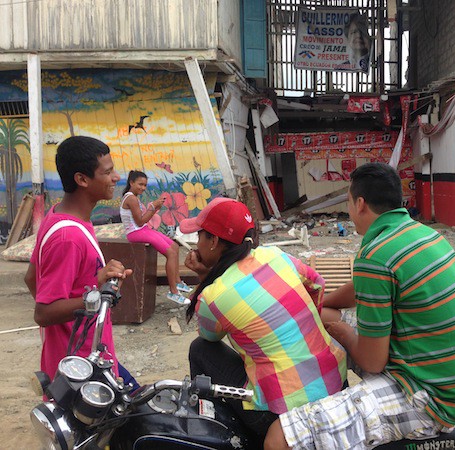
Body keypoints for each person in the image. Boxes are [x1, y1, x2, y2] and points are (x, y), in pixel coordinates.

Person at [264, 162, 455, 450]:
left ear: (360, 203)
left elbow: (372, 362)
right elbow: (359, 289)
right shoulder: (422, 235)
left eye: (349, 202)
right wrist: (316, 303)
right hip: (442, 377)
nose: (350, 211)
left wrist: (341, 331)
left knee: (279, 439)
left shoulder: (375, 255)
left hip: (427, 398)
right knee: (324, 316)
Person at [180, 197, 347, 443]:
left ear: (213, 241)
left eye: (200, 236)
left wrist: (205, 279)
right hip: (334, 381)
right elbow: (318, 283)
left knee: (200, 349)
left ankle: (219, 433)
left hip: (280, 412)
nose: (196, 243)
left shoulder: (213, 296)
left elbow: (209, 336)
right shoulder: (275, 255)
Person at [23, 136, 139, 389]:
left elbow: (32, 278)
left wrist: (95, 280)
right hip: (80, 366)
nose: (117, 177)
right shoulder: (69, 237)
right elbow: (43, 312)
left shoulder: (58, 216)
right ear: (82, 179)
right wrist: (99, 295)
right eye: (107, 172)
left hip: (87, 354)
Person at [120, 170, 191, 305]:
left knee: (175, 246)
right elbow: (140, 221)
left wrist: (154, 207)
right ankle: (173, 292)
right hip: (136, 232)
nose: (143, 188)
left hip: (142, 229)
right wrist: (153, 207)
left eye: (145, 185)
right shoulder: (131, 198)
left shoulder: (133, 197)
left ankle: (178, 282)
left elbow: (142, 221)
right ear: (131, 182)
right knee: (170, 253)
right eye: (140, 184)